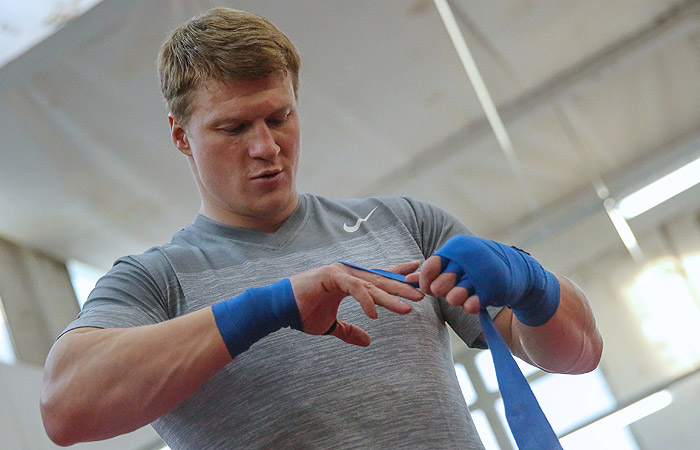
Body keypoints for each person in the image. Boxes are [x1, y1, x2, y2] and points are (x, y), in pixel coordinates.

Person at [40, 7, 602, 449]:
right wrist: (273, 305)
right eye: (233, 128)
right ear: (181, 135)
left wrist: (533, 285)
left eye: (279, 117)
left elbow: (580, 355)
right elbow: (66, 408)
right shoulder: (156, 281)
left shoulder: (405, 223)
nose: (266, 147)